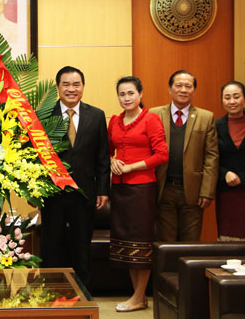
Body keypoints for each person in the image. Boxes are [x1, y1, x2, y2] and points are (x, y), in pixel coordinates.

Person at [40, 66, 110, 288]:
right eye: (66, 84)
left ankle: (83, 294)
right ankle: (51, 292)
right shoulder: (43, 115)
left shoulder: (96, 115)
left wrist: (103, 190)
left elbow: (103, 156)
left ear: (83, 87)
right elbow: (34, 156)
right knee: (52, 245)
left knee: (82, 246)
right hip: (52, 192)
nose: (71, 89)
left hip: (85, 192)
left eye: (76, 84)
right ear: (58, 87)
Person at [108, 76, 168, 313]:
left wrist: (132, 166)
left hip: (142, 188)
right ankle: (139, 296)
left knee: (141, 244)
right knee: (127, 244)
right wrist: (112, 160)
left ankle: (139, 296)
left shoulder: (151, 119)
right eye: (122, 94)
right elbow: (106, 151)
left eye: (131, 93)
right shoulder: (114, 121)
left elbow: (162, 155)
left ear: (140, 94)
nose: (126, 98)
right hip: (119, 188)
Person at [150, 70, 218, 242]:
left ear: (194, 90)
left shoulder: (206, 117)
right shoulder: (155, 114)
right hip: (164, 188)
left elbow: (211, 156)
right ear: (170, 89)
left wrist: (207, 191)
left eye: (188, 86)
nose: (183, 90)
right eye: (178, 85)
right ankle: (167, 270)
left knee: (191, 242)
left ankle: (188, 270)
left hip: (193, 191)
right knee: (165, 241)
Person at [215, 81, 245, 240]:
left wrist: (244, 176)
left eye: (236, 96)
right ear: (222, 101)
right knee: (227, 234)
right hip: (225, 189)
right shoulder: (216, 126)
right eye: (227, 97)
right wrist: (225, 173)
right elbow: (210, 157)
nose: (232, 101)